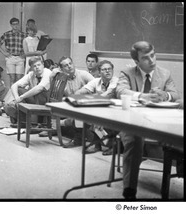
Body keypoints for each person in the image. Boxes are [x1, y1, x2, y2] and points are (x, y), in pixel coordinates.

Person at [115, 41, 180, 199]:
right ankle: (130, 192)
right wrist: (142, 96)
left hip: (159, 122)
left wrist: (165, 95)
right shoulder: (127, 72)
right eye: (146, 58)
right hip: (132, 121)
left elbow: (176, 95)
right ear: (137, 62)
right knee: (134, 138)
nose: (152, 60)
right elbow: (120, 91)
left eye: (153, 55)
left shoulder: (164, 73)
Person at [75, 60, 119, 154]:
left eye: (109, 69)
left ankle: (112, 146)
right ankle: (97, 144)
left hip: (116, 110)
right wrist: (79, 95)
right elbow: (81, 91)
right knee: (89, 114)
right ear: (99, 72)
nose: (108, 71)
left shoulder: (115, 81)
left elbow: (108, 94)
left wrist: (92, 98)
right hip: (103, 109)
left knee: (96, 114)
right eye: (104, 69)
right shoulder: (96, 81)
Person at [52, 56, 95, 148]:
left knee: (77, 113)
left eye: (70, 63)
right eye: (66, 65)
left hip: (88, 103)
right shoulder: (62, 78)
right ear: (61, 69)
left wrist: (84, 92)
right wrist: (52, 77)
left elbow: (97, 85)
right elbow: (54, 93)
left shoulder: (83, 74)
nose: (69, 66)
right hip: (73, 106)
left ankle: (77, 138)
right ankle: (57, 127)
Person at [4, 56, 51, 125]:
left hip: (45, 100)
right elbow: (14, 85)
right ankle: (22, 118)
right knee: (19, 90)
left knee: (38, 93)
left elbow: (39, 88)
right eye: (34, 66)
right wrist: (17, 98)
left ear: (43, 65)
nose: (37, 67)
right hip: (35, 100)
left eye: (39, 65)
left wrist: (22, 97)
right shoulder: (31, 74)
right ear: (31, 68)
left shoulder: (47, 72)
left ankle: (21, 118)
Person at [0, 17, 25, 87]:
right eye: (14, 24)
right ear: (11, 25)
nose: (16, 26)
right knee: (12, 78)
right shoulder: (7, 34)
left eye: (17, 24)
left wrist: (25, 54)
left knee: (19, 78)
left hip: (20, 57)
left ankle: (17, 93)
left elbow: (27, 45)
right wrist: (4, 53)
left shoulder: (23, 35)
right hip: (10, 57)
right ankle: (12, 95)